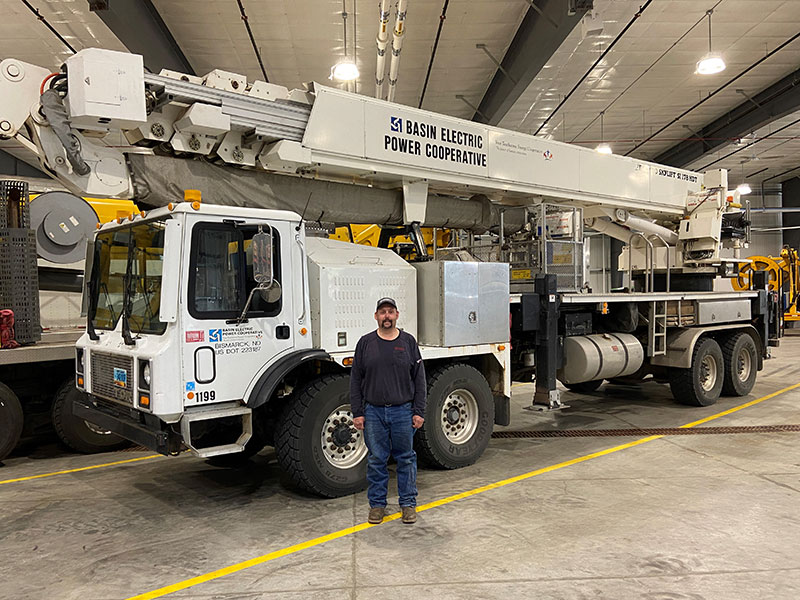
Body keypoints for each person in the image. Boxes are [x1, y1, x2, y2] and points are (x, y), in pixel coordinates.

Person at [350, 297, 426, 525]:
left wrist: (418, 411)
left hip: (403, 411)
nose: (386, 316)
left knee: (405, 459)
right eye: (382, 312)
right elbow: (356, 380)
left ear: (397, 315)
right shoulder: (365, 343)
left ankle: (408, 504)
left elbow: (419, 380)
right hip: (373, 412)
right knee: (376, 460)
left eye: (390, 312)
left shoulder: (409, 342)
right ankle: (377, 506)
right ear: (376, 316)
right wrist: (357, 412)